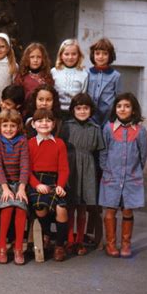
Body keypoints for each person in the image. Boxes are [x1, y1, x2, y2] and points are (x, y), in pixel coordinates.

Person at [99, 93, 147, 258]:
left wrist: (135, 172)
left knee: (127, 211)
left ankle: (126, 244)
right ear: (115, 109)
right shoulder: (108, 128)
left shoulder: (140, 131)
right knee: (110, 210)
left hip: (131, 179)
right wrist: (107, 170)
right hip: (111, 178)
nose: (123, 109)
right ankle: (111, 244)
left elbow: (143, 155)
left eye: (127, 106)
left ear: (133, 110)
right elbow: (104, 152)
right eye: (119, 106)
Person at [59, 93, 104, 256]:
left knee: (83, 207)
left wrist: (100, 173)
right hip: (70, 166)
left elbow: (100, 152)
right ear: (73, 110)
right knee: (70, 205)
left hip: (88, 168)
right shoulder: (66, 126)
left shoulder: (95, 129)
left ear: (91, 110)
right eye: (78, 108)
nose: (82, 111)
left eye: (86, 108)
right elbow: (60, 148)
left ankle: (79, 241)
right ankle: (70, 240)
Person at [27, 108, 70, 261]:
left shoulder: (59, 144)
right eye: (40, 120)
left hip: (55, 180)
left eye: (48, 120)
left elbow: (64, 168)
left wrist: (60, 185)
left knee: (61, 208)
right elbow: (27, 170)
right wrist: (36, 184)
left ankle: (59, 245)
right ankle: (46, 233)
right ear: (33, 124)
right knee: (40, 208)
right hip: (36, 181)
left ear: (54, 124)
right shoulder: (30, 144)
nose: (44, 123)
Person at [0, 109, 29, 265]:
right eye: (5, 125)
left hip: (19, 183)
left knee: (20, 206)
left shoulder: (22, 140)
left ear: (18, 126)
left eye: (12, 126)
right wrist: (5, 188)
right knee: (7, 206)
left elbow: (25, 165)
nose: (9, 129)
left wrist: (21, 188)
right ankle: (1, 246)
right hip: (2, 183)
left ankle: (18, 247)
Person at [87, 38, 122, 126]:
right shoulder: (86, 73)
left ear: (110, 56)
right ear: (93, 55)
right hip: (90, 114)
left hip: (108, 115)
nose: (100, 57)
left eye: (105, 54)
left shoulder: (115, 75)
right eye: (97, 53)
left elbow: (118, 96)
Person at [51, 39, 88, 119]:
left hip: (75, 114)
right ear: (61, 55)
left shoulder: (83, 74)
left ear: (79, 55)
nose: (70, 57)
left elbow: (83, 96)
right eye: (66, 54)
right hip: (57, 113)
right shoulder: (54, 72)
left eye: (74, 54)